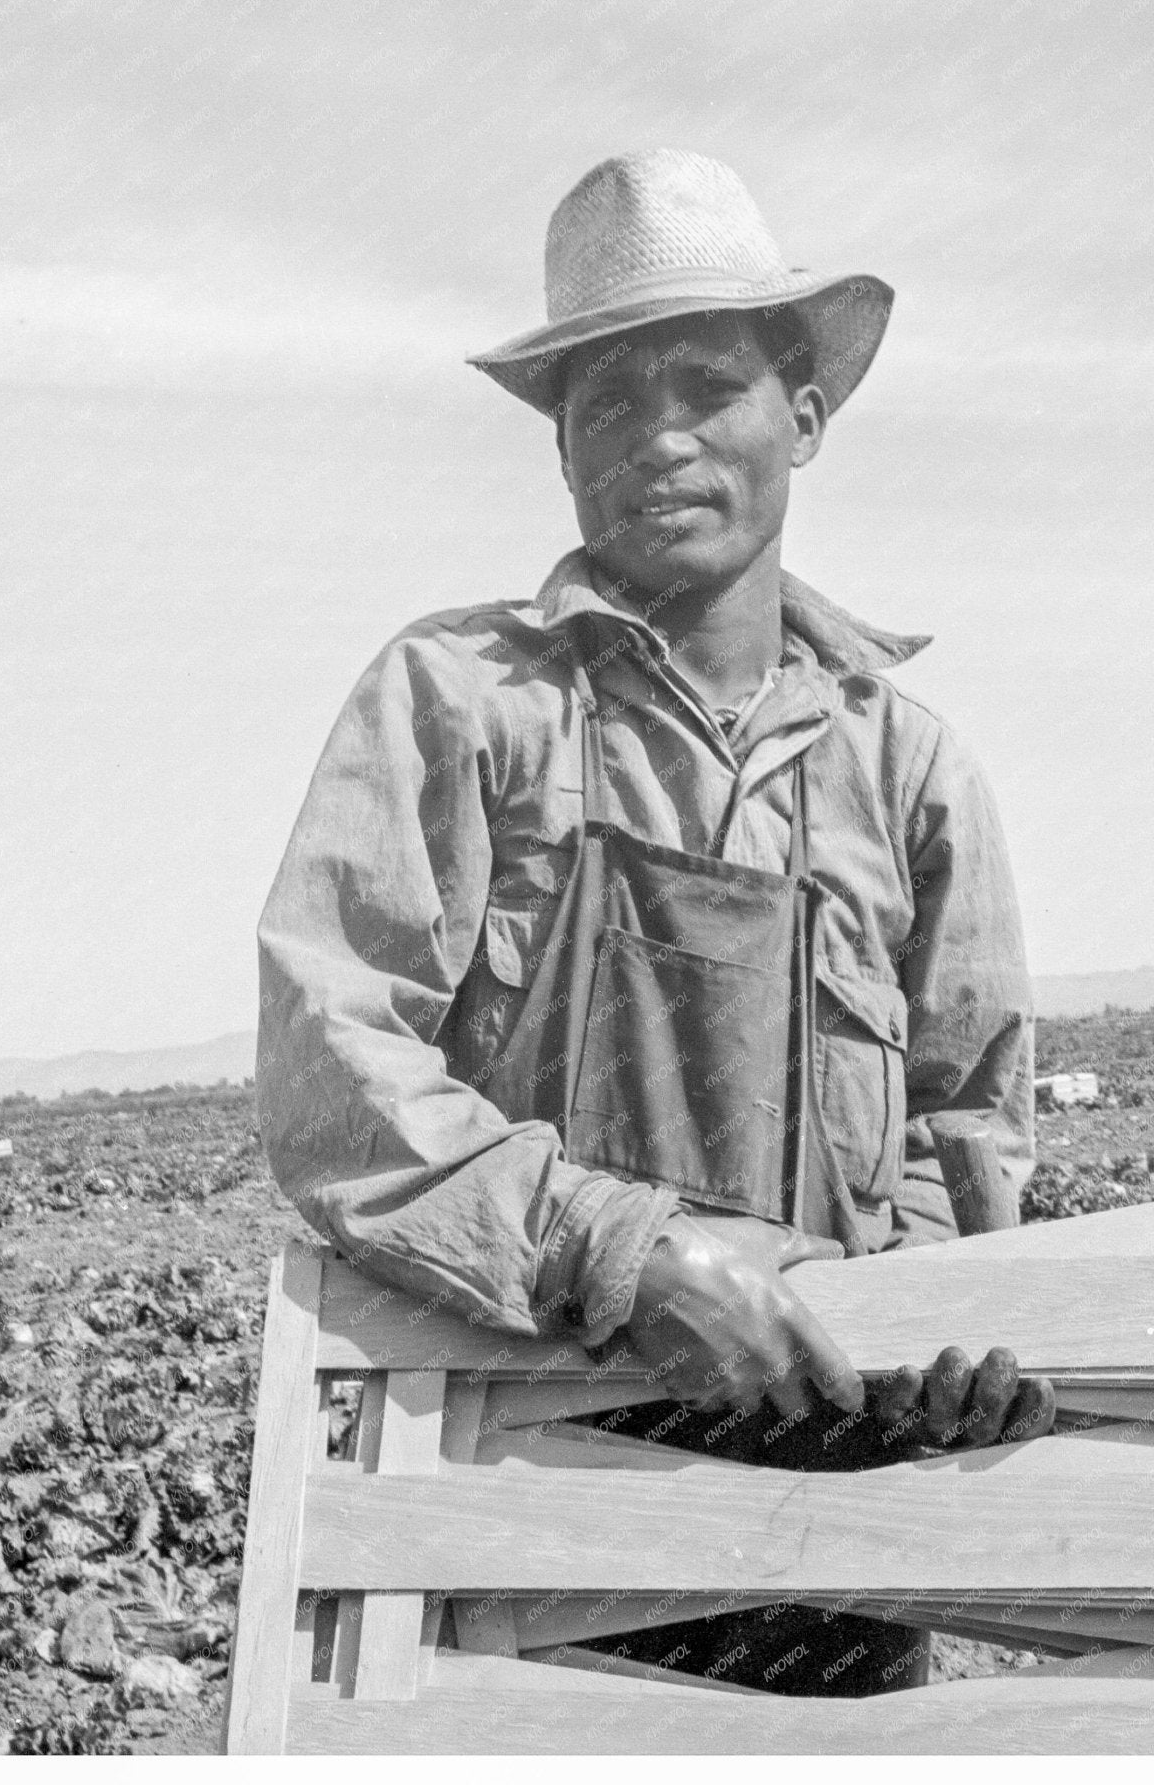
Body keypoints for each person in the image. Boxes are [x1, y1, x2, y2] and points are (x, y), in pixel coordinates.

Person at [256, 150, 1044, 1694]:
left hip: (837, 1511)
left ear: (802, 418)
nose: (660, 438)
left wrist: (957, 1338)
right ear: (561, 454)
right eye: (609, 403)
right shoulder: (461, 703)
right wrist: (634, 1255)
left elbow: (971, 1128)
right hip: (527, 1469)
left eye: (708, 385)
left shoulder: (910, 765)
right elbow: (331, 1068)